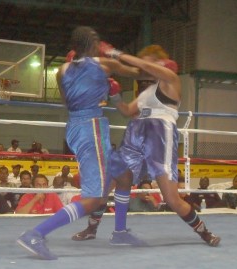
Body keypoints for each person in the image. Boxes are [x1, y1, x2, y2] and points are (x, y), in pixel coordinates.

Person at [73, 44, 220, 247]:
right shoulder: (146, 92)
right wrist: (115, 95)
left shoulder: (170, 80)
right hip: (135, 134)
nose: (145, 65)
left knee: (171, 198)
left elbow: (141, 65)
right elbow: (126, 111)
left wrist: (115, 53)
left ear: (158, 61)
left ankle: (204, 232)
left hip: (159, 136)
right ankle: (91, 228)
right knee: (107, 184)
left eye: (149, 60)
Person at [16, 26, 143, 260]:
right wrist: (114, 53)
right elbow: (139, 72)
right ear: (93, 44)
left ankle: (120, 232)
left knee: (124, 176)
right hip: (90, 128)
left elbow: (69, 102)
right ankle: (35, 234)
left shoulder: (62, 70)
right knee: (94, 198)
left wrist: (95, 88)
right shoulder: (104, 64)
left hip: (77, 126)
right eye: (97, 40)